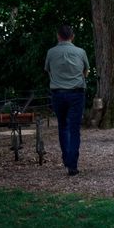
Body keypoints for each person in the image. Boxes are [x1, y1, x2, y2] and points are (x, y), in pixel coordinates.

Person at [44, 24, 89, 176]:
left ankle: (66, 159)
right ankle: (73, 163)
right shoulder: (80, 52)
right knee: (74, 128)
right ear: (72, 36)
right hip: (76, 93)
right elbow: (86, 71)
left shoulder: (51, 52)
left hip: (58, 93)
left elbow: (48, 70)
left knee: (62, 126)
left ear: (58, 36)